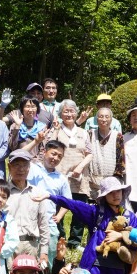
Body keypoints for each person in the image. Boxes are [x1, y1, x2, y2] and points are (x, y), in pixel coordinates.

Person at [50, 100, 93, 247]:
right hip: (60, 175)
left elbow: (90, 153)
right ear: (61, 114)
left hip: (79, 177)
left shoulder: (83, 132)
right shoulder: (57, 129)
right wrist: (55, 130)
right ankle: (60, 238)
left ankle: (74, 242)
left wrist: (80, 167)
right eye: (66, 111)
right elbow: (49, 146)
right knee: (58, 207)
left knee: (79, 209)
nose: (69, 114)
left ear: (76, 113)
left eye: (72, 111)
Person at [27, 139, 72, 274]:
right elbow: (19, 154)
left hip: (49, 224)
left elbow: (68, 200)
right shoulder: (31, 168)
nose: (55, 158)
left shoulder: (61, 178)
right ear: (44, 152)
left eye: (59, 156)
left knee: (49, 260)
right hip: (29, 222)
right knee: (30, 260)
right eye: (53, 154)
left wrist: (59, 216)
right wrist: (36, 141)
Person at [5, 150, 53, 272]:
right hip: (8, 246)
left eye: (24, 165)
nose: (20, 169)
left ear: (29, 167)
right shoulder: (3, 193)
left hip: (31, 245)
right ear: (9, 167)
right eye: (16, 165)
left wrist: (44, 252)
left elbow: (43, 224)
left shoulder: (37, 193)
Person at [85, 106, 125, 209]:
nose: (104, 119)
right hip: (92, 182)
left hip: (112, 183)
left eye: (107, 117)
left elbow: (121, 161)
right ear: (96, 119)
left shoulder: (118, 136)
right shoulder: (89, 134)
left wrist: (114, 181)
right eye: (101, 116)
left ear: (111, 119)